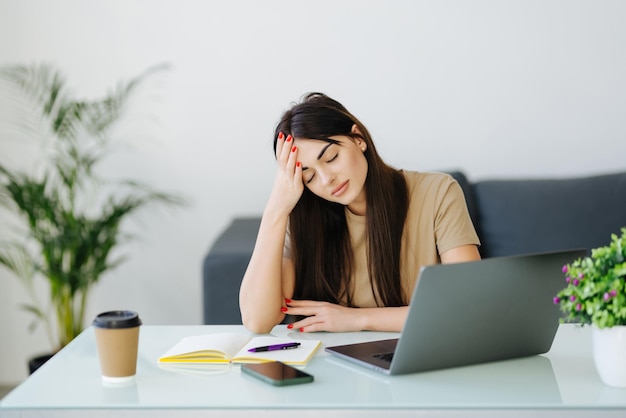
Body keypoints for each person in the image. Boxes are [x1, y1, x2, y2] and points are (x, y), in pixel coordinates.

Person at [239, 93, 481, 334]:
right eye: (309, 176)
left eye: (331, 157)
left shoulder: (437, 192)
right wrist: (275, 210)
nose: (326, 179)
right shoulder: (304, 218)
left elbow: (468, 305)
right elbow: (258, 321)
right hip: (331, 361)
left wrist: (357, 319)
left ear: (358, 138)